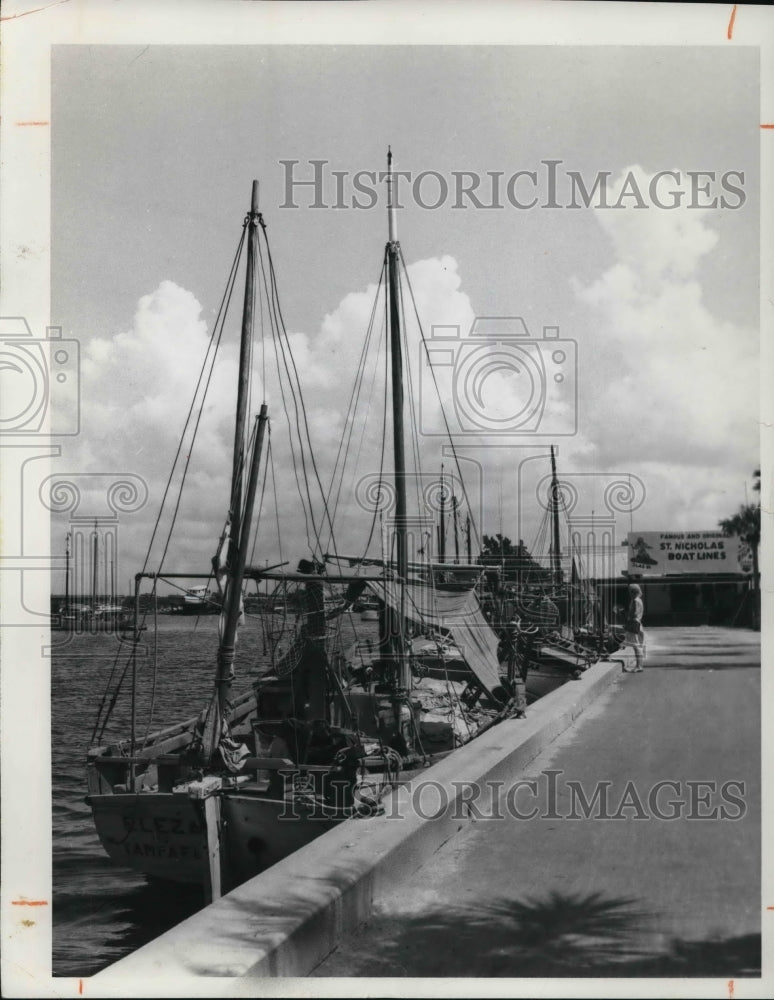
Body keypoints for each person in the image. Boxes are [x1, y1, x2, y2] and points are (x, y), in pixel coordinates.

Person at [623, 583, 646, 672]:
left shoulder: (635, 601)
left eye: (630, 591)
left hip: (634, 623)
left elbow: (634, 613)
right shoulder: (639, 600)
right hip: (638, 623)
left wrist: (626, 614)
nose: (629, 593)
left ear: (633, 592)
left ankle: (639, 666)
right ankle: (639, 665)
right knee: (637, 645)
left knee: (636, 646)